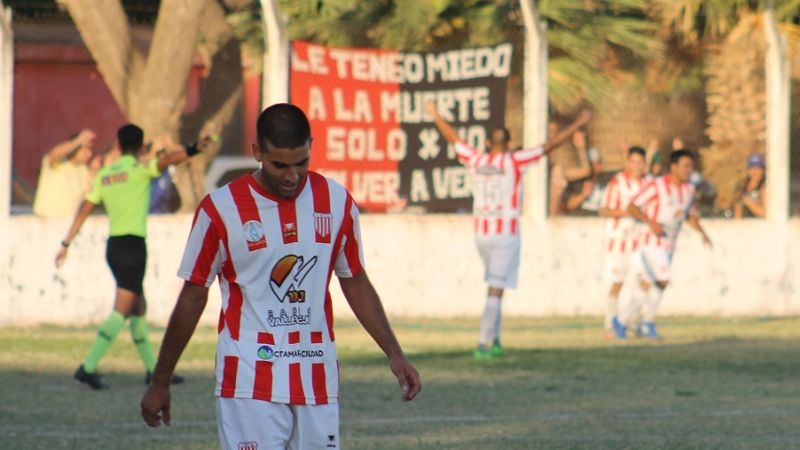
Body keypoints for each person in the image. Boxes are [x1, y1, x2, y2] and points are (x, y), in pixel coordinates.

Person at [140, 104, 421, 449]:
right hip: (248, 378)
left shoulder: (336, 202)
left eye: (301, 162)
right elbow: (194, 294)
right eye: (280, 165)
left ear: (311, 147)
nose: (292, 176)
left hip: (316, 377)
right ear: (257, 152)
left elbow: (354, 279)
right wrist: (161, 379)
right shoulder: (220, 209)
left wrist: (394, 353)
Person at [426, 100, 592, 359]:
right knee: (495, 286)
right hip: (505, 235)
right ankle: (482, 343)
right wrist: (578, 123)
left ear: (489, 143)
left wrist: (434, 112)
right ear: (509, 141)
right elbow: (549, 146)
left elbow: (452, 137)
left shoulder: (477, 159)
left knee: (498, 284)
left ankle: (495, 339)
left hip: (481, 234)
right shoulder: (515, 160)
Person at [55, 124, 206, 389]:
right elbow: (168, 159)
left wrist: (66, 242)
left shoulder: (105, 175)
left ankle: (154, 370)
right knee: (123, 308)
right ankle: (87, 367)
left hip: (114, 246)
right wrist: (193, 148)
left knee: (138, 307)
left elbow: (85, 209)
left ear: (119, 144)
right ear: (139, 146)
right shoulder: (139, 170)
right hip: (134, 246)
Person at [612, 149, 712, 339]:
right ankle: (647, 323)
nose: (688, 170)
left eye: (691, 166)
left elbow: (689, 215)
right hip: (650, 242)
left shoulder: (688, 189)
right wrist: (651, 222)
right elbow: (632, 207)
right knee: (662, 279)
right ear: (673, 167)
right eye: (685, 166)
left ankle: (623, 321)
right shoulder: (656, 186)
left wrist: (703, 234)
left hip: (668, 244)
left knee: (648, 284)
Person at [598, 146, 649, 338]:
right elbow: (604, 210)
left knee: (645, 281)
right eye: (633, 161)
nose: (636, 166)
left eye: (640, 162)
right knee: (617, 283)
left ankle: (628, 321)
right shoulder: (617, 183)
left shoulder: (647, 184)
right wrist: (628, 212)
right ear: (627, 163)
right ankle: (609, 324)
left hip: (639, 242)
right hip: (618, 242)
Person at [33, 129, 99, 218]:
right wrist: (78, 141)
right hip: (43, 221)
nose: (89, 154)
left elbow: (87, 195)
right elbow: (54, 154)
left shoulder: (83, 170)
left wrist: (93, 172)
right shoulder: (58, 163)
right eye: (86, 150)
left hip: (66, 224)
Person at [733, 153, 766, 218]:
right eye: (752, 167)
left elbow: (764, 213)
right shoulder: (743, 185)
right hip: (744, 224)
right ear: (748, 170)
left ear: (763, 170)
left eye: (757, 168)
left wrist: (750, 203)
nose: (754, 171)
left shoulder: (764, 188)